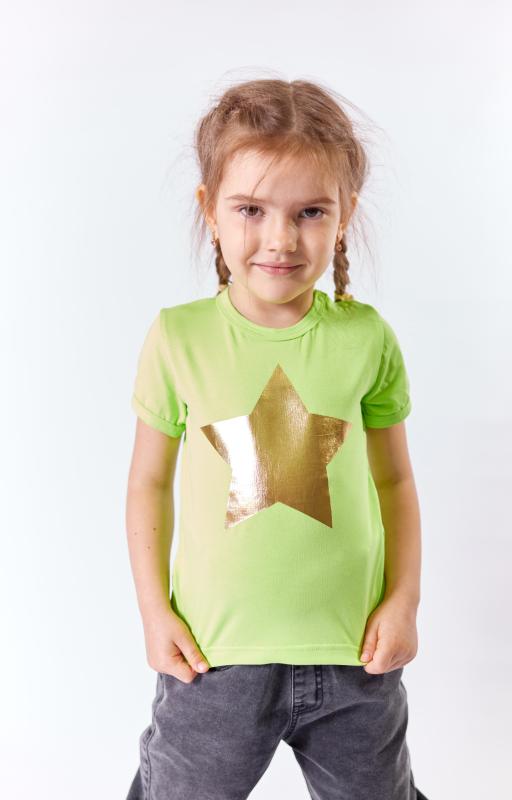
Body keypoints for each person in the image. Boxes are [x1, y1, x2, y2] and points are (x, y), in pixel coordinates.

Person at [125, 78, 428, 800]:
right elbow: (147, 482)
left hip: (355, 656)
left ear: (345, 214)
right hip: (213, 659)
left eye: (310, 212)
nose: (280, 239)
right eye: (251, 209)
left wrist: (403, 601)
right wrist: (154, 612)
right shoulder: (179, 337)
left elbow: (394, 481)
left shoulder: (366, 338)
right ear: (211, 210)